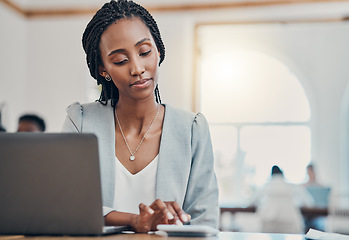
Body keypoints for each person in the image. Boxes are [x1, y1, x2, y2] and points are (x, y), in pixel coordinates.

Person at [62, 0, 219, 233]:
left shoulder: (192, 129)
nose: (137, 68)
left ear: (159, 51)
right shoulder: (81, 121)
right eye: (120, 61)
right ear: (103, 70)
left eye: (145, 52)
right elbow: (67, 208)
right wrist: (136, 220)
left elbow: (204, 222)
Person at [249, 165, 314, 233]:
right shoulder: (291, 186)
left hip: (269, 221)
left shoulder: (266, 185)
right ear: (282, 174)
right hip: (289, 222)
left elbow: (252, 201)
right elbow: (309, 202)